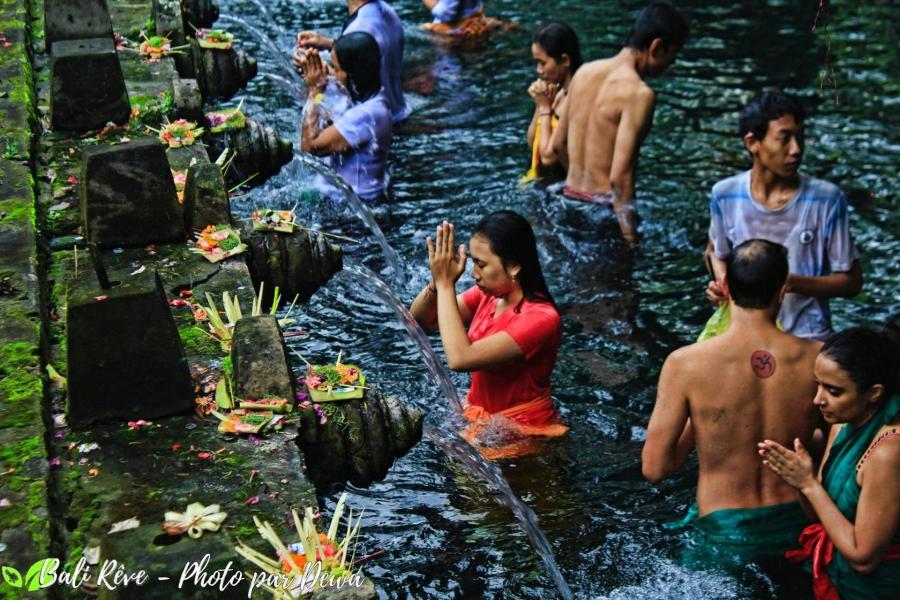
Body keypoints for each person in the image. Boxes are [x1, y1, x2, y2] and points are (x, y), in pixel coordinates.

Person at [642, 239, 823, 563]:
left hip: (724, 528)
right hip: (800, 522)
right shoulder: (819, 358)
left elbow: (656, 468)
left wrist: (704, 423)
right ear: (783, 290)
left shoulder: (686, 364)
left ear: (725, 285)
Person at [706, 90, 862, 340]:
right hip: (743, 333)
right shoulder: (725, 195)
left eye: (800, 136)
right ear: (752, 143)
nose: (796, 149)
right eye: (785, 138)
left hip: (807, 335)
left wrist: (789, 282)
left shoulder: (827, 199)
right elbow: (715, 251)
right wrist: (723, 284)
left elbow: (851, 282)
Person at [409, 211, 566, 457]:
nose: (474, 273)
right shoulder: (488, 296)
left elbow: (460, 358)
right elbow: (422, 320)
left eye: (481, 264)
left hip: (522, 434)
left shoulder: (541, 318)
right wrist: (435, 283)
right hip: (484, 424)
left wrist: (446, 284)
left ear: (514, 266)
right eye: (473, 262)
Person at [759, 326, 900, 599]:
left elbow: (864, 558)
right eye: (818, 385)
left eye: (833, 391)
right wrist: (799, 480)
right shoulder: (841, 424)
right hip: (837, 572)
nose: (818, 400)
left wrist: (809, 484)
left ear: (874, 393)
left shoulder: (889, 453)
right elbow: (820, 515)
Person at [550, 1, 688, 244]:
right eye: (672, 55)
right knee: (614, 281)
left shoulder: (584, 72)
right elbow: (620, 178)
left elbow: (558, 146)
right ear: (656, 47)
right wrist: (631, 239)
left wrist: (580, 183)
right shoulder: (639, 94)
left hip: (566, 202)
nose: (671, 64)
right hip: (601, 213)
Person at [299, 32, 392, 202]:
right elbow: (327, 120)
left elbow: (310, 146)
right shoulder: (373, 97)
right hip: (347, 198)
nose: (332, 73)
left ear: (351, 75)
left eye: (336, 68)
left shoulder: (365, 115)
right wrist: (320, 86)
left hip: (351, 207)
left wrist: (315, 90)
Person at [295, 0, 409, 122]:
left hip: (367, 125)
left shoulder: (358, 28)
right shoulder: (386, 11)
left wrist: (313, 68)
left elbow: (349, 89)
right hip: (399, 112)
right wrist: (331, 44)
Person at [522, 22, 582, 184]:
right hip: (545, 182)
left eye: (543, 63)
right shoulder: (556, 92)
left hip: (564, 188)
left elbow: (548, 157)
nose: (539, 70)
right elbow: (531, 141)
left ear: (565, 60)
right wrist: (540, 105)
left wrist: (544, 108)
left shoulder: (577, 98)